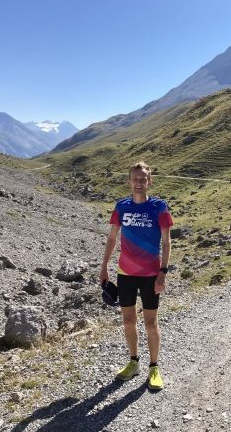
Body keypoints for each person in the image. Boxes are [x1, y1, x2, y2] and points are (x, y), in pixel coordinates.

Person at [99, 161, 173, 390]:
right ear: (129, 181)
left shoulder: (160, 207)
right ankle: (133, 363)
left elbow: (166, 241)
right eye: (135, 179)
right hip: (125, 274)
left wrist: (163, 271)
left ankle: (154, 368)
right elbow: (112, 239)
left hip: (151, 274)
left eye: (143, 179)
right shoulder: (121, 207)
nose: (139, 183)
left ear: (149, 182)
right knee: (128, 321)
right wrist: (104, 267)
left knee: (151, 323)